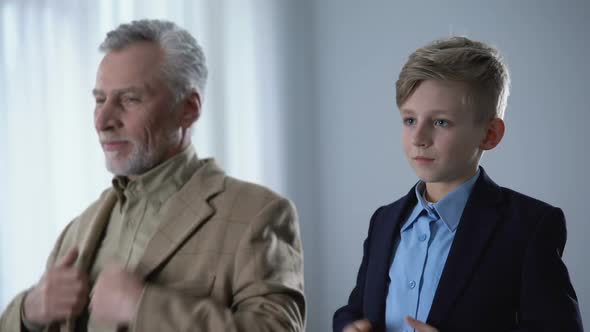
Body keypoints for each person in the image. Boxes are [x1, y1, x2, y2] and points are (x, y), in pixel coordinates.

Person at [0, 19, 305, 332]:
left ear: (189, 109)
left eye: (130, 99)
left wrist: (142, 307)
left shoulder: (258, 213)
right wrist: (29, 312)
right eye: (100, 100)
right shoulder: (76, 232)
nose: (103, 120)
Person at [333, 36, 583, 332]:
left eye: (440, 122)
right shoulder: (384, 220)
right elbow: (355, 308)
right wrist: (350, 326)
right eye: (410, 120)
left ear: (490, 134)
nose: (418, 137)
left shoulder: (530, 227)